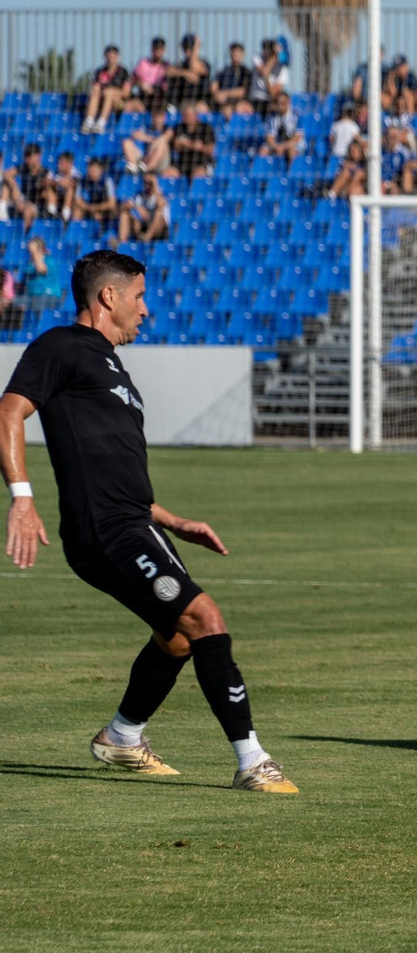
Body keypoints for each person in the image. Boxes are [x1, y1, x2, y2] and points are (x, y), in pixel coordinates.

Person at [1, 251, 299, 792]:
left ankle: (121, 737)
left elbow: (106, 468)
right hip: (108, 530)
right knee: (205, 617)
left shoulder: (113, 367)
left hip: (135, 522)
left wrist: (170, 518)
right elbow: (9, 411)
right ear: (108, 297)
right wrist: (22, 498)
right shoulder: (60, 346)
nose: (147, 309)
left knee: (179, 638)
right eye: (139, 296)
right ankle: (253, 761)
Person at [81, 46, 131, 134]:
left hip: (118, 102)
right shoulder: (100, 71)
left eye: (113, 56)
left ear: (117, 57)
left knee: (109, 93)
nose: (110, 59)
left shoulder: (123, 72)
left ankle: (101, 123)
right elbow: (95, 86)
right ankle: (89, 122)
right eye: (109, 56)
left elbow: (126, 93)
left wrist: (113, 91)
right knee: (95, 91)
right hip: (101, 99)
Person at [4, 143, 56, 227]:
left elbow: (51, 183)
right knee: (8, 183)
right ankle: (2, 209)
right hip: (22, 201)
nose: (27, 160)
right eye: (26, 157)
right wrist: (14, 186)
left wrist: (44, 184)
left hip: (36, 205)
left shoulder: (45, 172)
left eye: (29, 156)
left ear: (38, 156)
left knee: (29, 210)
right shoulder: (23, 167)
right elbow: (6, 174)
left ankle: (25, 236)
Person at [116, 174, 169, 247]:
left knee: (158, 213)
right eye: (145, 182)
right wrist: (137, 207)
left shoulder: (160, 194)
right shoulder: (140, 195)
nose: (147, 185)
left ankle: (146, 240)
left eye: (150, 183)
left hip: (160, 228)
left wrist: (155, 188)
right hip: (143, 225)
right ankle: (122, 244)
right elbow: (124, 206)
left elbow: (161, 205)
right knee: (124, 214)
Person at [121, 108, 174, 175]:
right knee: (126, 142)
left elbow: (165, 137)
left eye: (160, 116)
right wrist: (150, 139)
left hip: (161, 161)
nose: (157, 119)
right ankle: (133, 166)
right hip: (145, 158)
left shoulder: (168, 129)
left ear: (164, 118)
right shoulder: (147, 128)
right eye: (155, 116)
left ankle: (148, 168)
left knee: (162, 144)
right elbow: (135, 134)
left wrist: (153, 143)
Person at [165, 34, 210, 112]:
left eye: (190, 47)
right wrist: (185, 73)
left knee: (200, 109)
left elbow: (194, 67)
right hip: (182, 102)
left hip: (199, 101)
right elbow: (167, 72)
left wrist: (196, 48)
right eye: (185, 48)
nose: (187, 50)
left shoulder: (204, 63)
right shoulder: (181, 65)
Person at [170, 103, 216, 179]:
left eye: (189, 115)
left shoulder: (206, 128)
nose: (187, 118)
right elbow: (176, 145)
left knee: (198, 175)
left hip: (201, 163)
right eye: (185, 115)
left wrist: (190, 145)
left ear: (196, 115)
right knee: (168, 173)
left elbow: (212, 149)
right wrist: (193, 145)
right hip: (182, 164)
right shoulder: (179, 127)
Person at [257, 93, 304, 164]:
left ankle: (290, 173)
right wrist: (276, 147)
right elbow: (269, 137)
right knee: (262, 152)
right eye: (278, 103)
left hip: (292, 143)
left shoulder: (297, 115)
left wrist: (283, 147)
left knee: (292, 152)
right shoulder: (272, 116)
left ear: (288, 102)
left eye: (283, 103)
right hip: (277, 143)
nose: (280, 106)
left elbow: (297, 138)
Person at [18, 238, 64, 308]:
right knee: (11, 304)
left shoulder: (49, 260)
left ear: (41, 250)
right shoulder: (29, 265)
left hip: (48, 295)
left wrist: (35, 253)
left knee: (37, 304)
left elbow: (41, 269)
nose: (30, 253)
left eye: (33, 250)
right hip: (31, 297)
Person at [247, 38, 289, 115]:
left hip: (270, 101)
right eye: (264, 49)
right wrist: (274, 58)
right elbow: (264, 72)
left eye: (269, 49)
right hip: (255, 99)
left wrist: (276, 55)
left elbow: (274, 93)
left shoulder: (283, 68)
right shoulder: (257, 58)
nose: (265, 52)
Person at [210, 42, 253, 117]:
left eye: (238, 52)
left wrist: (225, 93)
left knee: (240, 108)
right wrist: (217, 94)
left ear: (243, 54)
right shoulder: (223, 71)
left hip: (240, 102)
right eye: (233, 52)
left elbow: (243, 91)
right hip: (223, 103)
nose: (235, 55)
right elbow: (213, 87)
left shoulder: (246, 71)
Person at [127, 38, 168, 114]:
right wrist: (142, 84)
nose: (158, 51)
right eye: (156, 49)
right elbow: (133, 79)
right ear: (152, 49)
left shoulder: (167, 66)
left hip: (160, 97)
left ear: (164, 50)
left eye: (160, 49)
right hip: (144, 96)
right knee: (129, 105)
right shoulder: (143, 63)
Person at [74, 158, 119, 227]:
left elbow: (112, 203)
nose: (91, 172)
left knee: (109, 212)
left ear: (101, 170)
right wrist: (87, 207)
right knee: (77, 211)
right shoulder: (83, 181)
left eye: (94, 169)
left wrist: (94, 208)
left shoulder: (107, 181)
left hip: (103, 208)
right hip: (89, 206)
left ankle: (102, 233)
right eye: (90, 169)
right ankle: (75, 232)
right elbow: (77, 200)